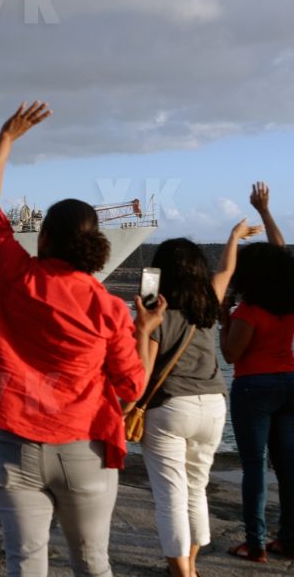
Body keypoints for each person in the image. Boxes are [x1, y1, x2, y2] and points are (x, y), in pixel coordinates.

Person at [0, 101, 162, 576]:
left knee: (24, 563)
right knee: (92, 563)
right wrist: (145, 331)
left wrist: (6, 137)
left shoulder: (16, 277)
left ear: (43, 239)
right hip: (84, 448)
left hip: (12, 446)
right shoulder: (108, 307)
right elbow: (131, 387)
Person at [132, 219, 260, 577]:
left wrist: (142, 327)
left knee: (169, 495)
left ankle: (181, 572)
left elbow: (143, 371)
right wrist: (233, 236)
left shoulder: (158, 310)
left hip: (171, 408)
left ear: (160, 272)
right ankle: (189, 565)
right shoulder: (209, 301)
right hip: (214, 407)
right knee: (196, 488)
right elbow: (227, 268)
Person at [222, 182, 294, 562]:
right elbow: (281, 255)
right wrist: (266, 212)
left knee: (254, 467)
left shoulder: (248, 312)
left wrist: (223, 319)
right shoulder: (287, 302)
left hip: (254, 387)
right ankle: (289, 538)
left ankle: (255, 542)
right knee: (288, 467)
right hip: (290, 382)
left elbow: (231, 355)